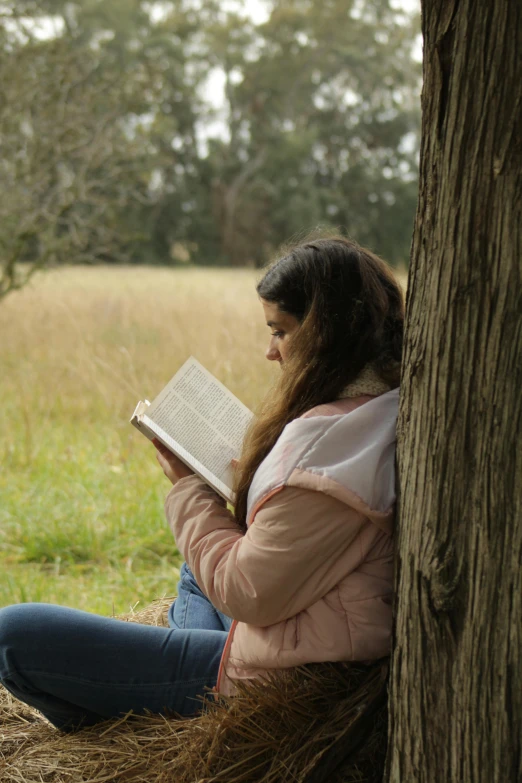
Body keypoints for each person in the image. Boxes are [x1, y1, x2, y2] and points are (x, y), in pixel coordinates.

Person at [0, 235, 404, 731]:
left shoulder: (333, 461)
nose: (270, 352)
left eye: (280, 331)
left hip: (283, 676)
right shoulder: (372, 409)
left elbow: (244, 592)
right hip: (303, 630)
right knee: (196, 573)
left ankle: (124, 725)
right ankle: (147, 699)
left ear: (326, 333)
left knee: (12, 635)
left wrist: (188, 487)